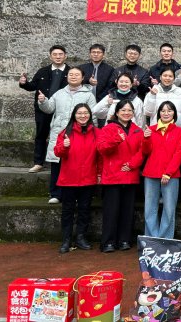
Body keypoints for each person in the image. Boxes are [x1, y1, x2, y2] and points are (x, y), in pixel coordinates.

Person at [38, 67, 96, 204]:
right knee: (57, 164)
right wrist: (43, 101)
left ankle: (73, 195)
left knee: (74, 164)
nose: (73, 77)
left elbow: (92, 115)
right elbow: (49, 108)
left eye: (77, 75)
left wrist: (94, 132)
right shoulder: (59, 93)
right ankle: (55, 193)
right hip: (59, 131)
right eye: (71, 74)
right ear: (67, 77)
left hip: (79, 134)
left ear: (82, 78)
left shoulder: (88, 95)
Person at [97, 99, 144, 252]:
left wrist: (132, 164)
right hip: (112, 175)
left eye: (129, 110)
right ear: (117, 112)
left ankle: (124, 240)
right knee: (111, 211)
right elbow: (102, 148)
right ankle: (108, 242)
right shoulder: (108, 129)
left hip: (130, 174)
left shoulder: (138, 130)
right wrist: (116, 140)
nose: (126, 113)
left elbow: (142, 151)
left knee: (127, 211)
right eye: (123, 110)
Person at [53, 103, 100, 253]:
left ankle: (81, 238)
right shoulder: (66, 132)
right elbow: (57, 152)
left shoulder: (96, 133)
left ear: (90, 115)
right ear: (74, 115)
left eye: (85, 113)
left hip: (88, 178)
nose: (83, 116)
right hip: (69, 178)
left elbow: (100, 155)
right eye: (79, 113)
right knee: (67, 210)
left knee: (84, 210)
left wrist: (99, 174)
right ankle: (66, 239)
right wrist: (64, 145)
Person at [19, 45, 70, 173]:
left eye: (60, 54)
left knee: (63, 135)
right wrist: (24, 83)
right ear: (50, 56)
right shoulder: (43, 71)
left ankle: (62, 163)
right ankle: (38, 163)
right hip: (42, 109)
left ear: (65, 56)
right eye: (55, 54)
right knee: (41, 135)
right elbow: (32, 86)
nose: (58, 57)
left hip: (62, 109)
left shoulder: (71, 72)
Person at [142, 101, 181, 239]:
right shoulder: (151, 129)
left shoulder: (179, 131)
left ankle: (165, 239)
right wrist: (146, 138)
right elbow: (145, 152)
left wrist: (168, 173)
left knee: (169, 209)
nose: (166, 113)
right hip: (151, 173)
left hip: (171, 175)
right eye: (163, 110)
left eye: (169, 110)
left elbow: (178, 153)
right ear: (159, 113)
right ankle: (152, 239)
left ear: (174, 113)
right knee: (150, 208)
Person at [78, 44, 115, 126]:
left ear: (103, 55)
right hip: (84, 101)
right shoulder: (82, 68)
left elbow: (111, 86)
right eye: (93, 52)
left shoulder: (110, 69)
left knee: (101, 125)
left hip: (102, 102)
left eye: (99, 52)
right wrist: (88, 81)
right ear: (90, 54)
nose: (96, 54)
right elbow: (77, 83)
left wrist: (100, 99)